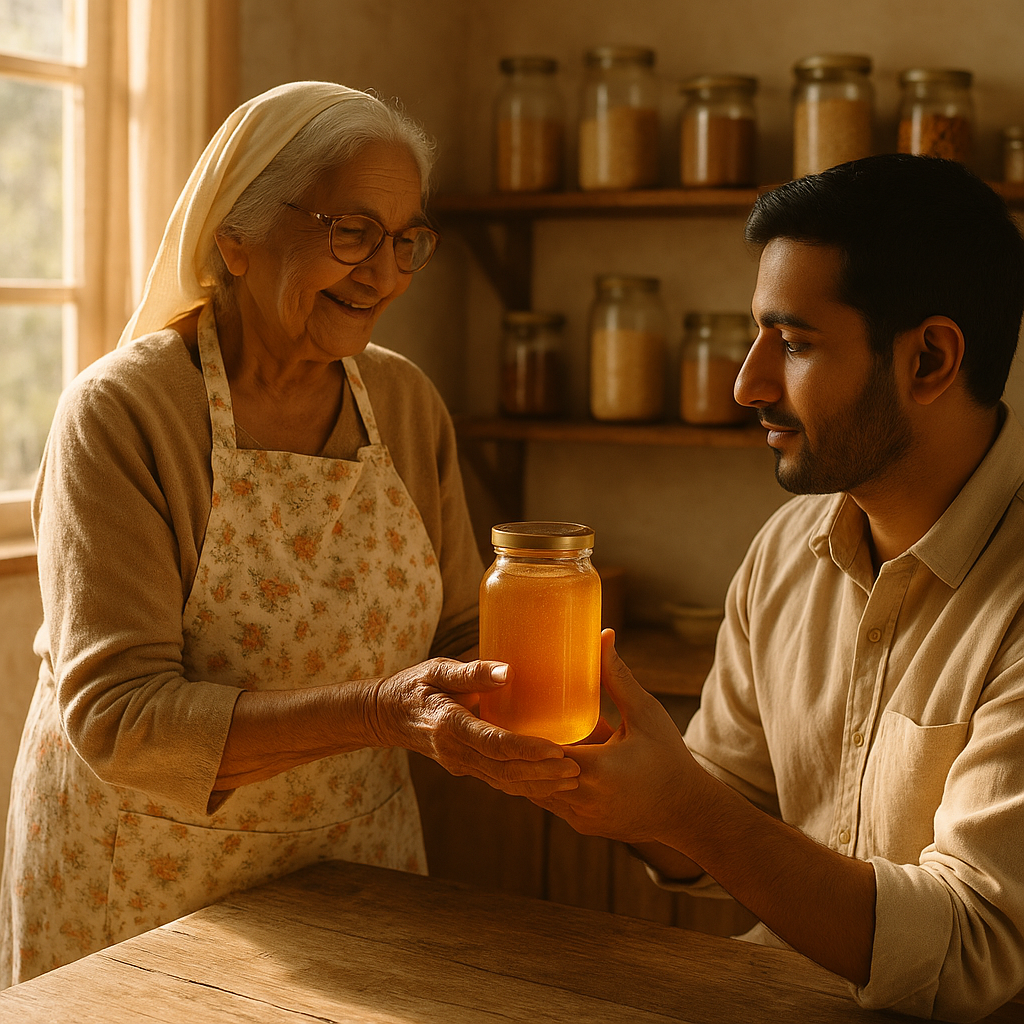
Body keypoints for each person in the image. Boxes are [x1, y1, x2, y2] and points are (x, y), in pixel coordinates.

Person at [0, 81, 578, 987]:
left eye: (405, 241)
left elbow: (460, 634)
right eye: (350, 231)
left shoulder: (406, 404)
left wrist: (557, 681)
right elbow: (124, 720)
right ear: (234, 235)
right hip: (144, 883)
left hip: (354, 868)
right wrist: (384, 711)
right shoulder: (125, 414)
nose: (384, 273)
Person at [533, 155, 1024, 1021]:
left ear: (930, 359)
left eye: (793, 345)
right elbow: (732, 808)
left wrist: (689, 810)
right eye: (757, 336)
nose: (745, 385)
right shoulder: (787, 548)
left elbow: (975, 955)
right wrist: (599, 772)